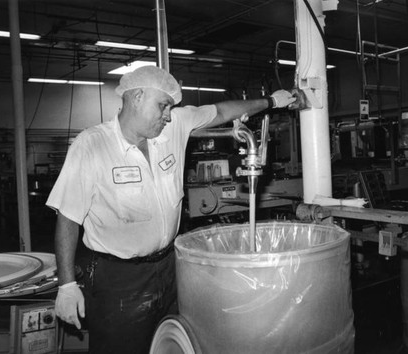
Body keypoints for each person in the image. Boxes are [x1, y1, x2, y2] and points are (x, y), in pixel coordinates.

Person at [46, 65, 298, 354]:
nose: (168, 115)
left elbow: (220, 111)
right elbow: (67, 217)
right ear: (137, 97)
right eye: (163, 105)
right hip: (117, 279)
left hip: (168, 268)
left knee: (171, 343)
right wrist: (66, 285)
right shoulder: (92, 145)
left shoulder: (173, 126)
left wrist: (271, 102)